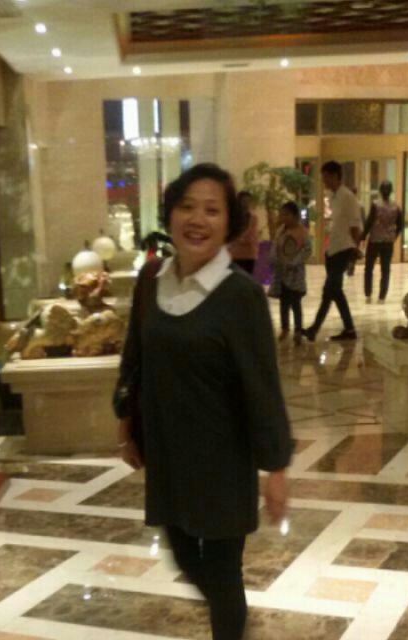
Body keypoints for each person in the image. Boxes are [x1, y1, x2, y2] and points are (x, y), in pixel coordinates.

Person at [113, 163, 292, 640]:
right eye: (187, 206)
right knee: (183, 556)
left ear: (228, 223)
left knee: (221, 571)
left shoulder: (240, 296)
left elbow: (263, 385)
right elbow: (135, 355)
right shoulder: (151, 278)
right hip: (168, 453)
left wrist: (276, 468)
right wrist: (125, 420)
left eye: (212, 210)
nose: (197, 219)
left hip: (223, 460)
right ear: (170, 214)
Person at [302, 161, 362, 342]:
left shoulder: (347, 197)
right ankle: (348, 329)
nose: (324, 181)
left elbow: (355, 226)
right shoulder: (334, 197)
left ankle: (315, 328)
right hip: (333, 250)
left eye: (326, 177)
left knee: (330, 290)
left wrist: (355, 251)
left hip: (343, 249)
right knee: (334, 292)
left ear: (336, 176)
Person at [269, 201, 312, 346]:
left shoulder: (302, 232)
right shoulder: (281, 231)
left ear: (295, 215)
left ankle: (298, 330)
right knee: (284, 303)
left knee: (295, 304)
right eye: (282, 214)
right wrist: (274, 259)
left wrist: (295, 261)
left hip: (295, 274)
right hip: (282, 273)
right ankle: (285, 328)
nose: (283, 217)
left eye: (286, 214)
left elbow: (307, 249)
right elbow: (275, 246)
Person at [361, 180, 403, 304]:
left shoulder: (375, 204)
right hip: (388, 242)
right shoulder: (396, 207)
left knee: (369, 268)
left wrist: (363, 236)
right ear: (391, 191)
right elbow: (400, 225)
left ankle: (368, 294)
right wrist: (393, 236)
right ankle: (382, 297)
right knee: (385, 269)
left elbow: (369, 222)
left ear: (379, 191)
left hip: (374, 240)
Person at [229, 190, 259, 274]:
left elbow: (252, 235)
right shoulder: (233, 217)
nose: (246, 203)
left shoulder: (253, 217)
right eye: (244, 201)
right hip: (235, 253)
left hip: (250, 254)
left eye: (248, 201)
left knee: (247, 277)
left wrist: (239, 239)